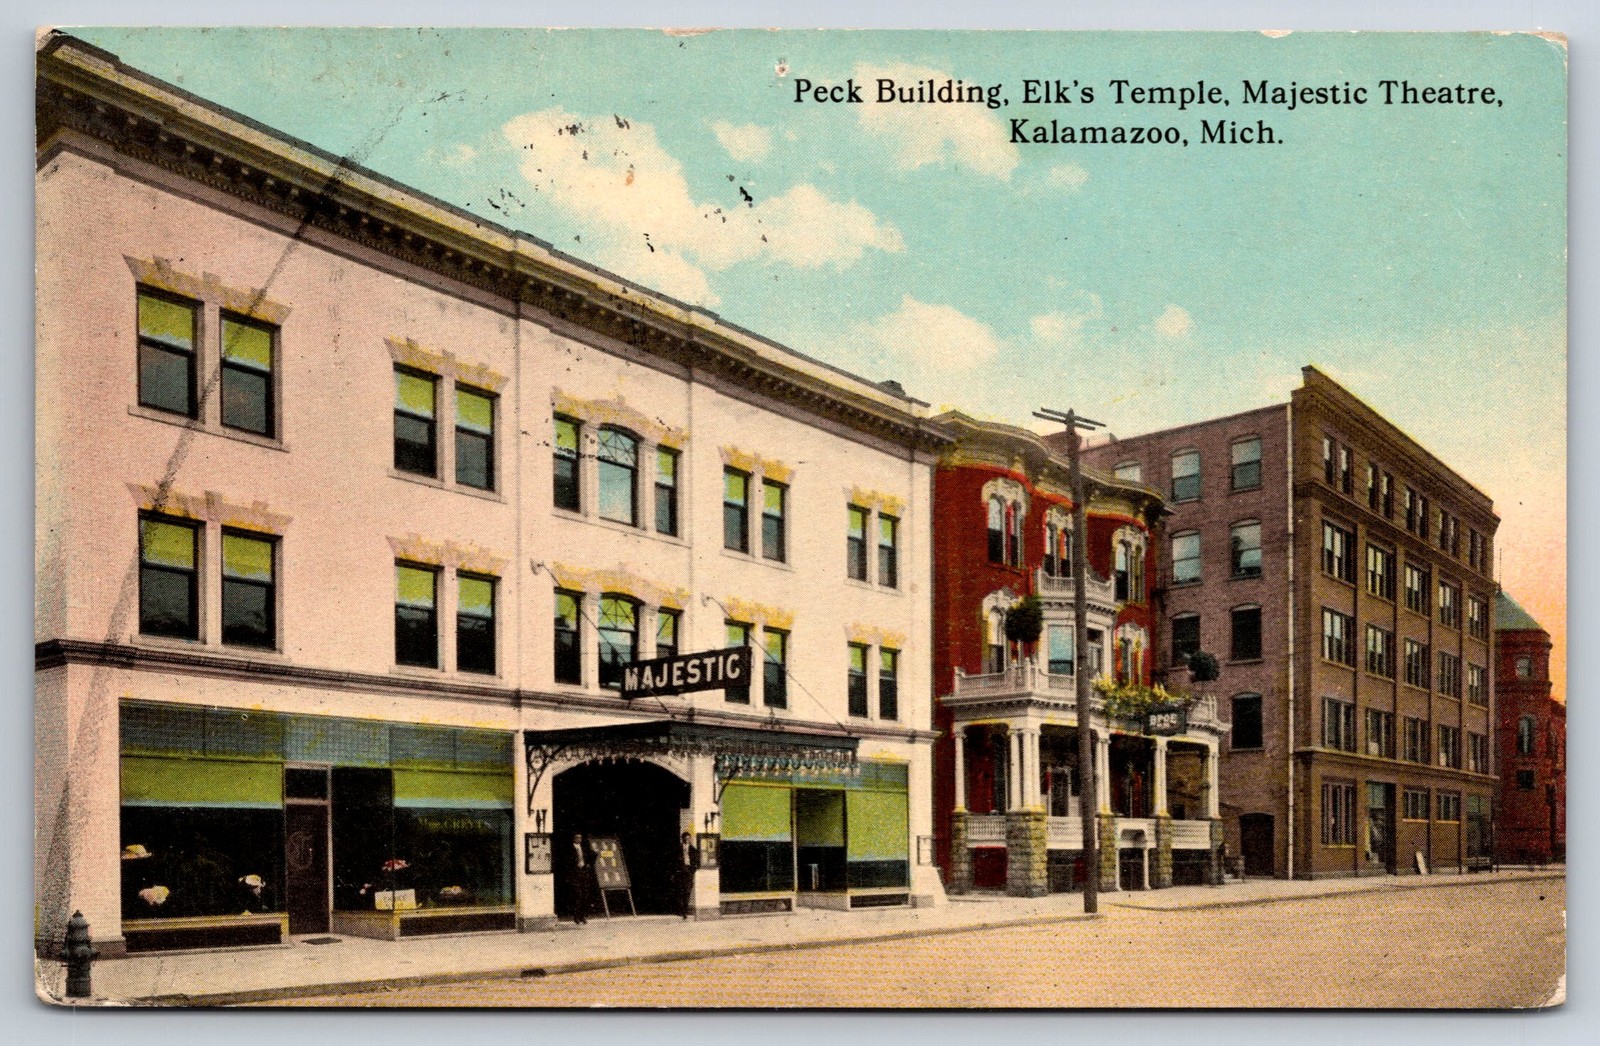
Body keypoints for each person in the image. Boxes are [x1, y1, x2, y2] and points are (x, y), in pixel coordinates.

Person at [569, 833, 597, 925]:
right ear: (573, 838)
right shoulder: (570, 848)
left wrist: (589, 863)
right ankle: (576, 916)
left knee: (585, 894)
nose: (579, 839)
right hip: (575, 873)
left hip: (583, 872)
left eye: (580, 838)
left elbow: (591, 856)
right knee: (578, 895)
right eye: (577, 837)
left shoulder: (584, 848)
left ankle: (583, 916)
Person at [675, 831, 700, 919]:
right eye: (685, 839)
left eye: (688, 839)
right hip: (680, 872)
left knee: (687, 891)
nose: (687, 841)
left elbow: (697, 861)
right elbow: (674, 862)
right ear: (682, 839)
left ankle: (685, 911)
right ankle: (680, 910)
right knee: (680, 891)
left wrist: (692, 871)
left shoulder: (693, 849)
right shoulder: (678, 849)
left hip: (689, 872)